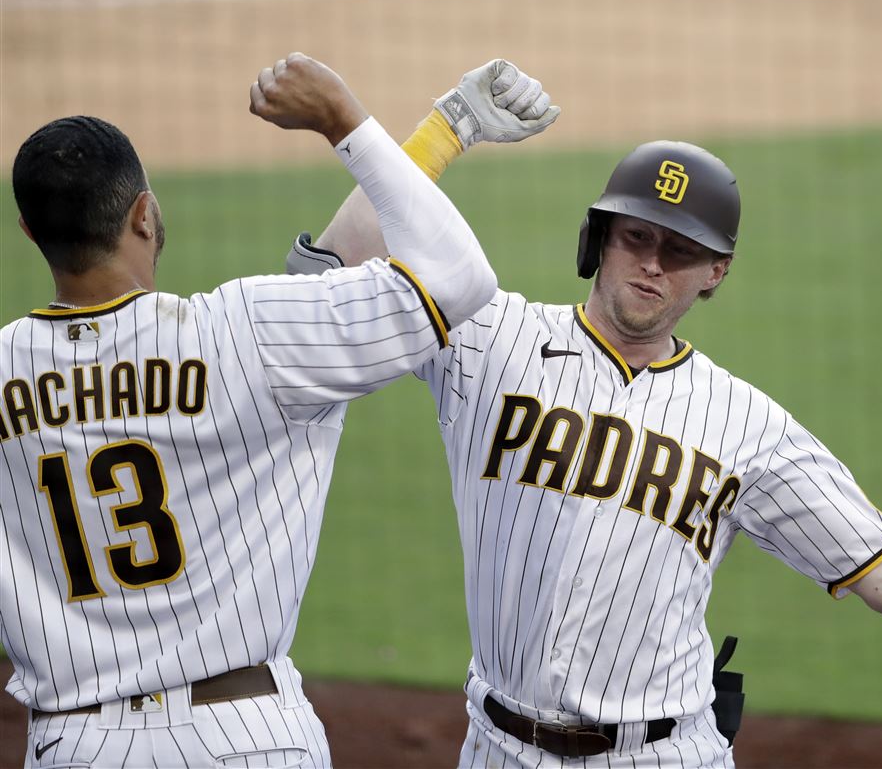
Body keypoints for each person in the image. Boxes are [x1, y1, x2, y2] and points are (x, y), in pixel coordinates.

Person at [307, 97, 882, 765]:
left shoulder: (749, 425)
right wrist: (446, 128)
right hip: (495, 750)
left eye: (679, 250)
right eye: (637, 237)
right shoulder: (490, 338)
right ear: (599, 238)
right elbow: (324, 281)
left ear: (716, 272)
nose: (652, 264)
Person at [0, 52, 517, 768]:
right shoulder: (245, 332)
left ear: (28, 231)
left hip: (77, 745)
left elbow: (326, 274)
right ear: (145, 214)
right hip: (245, 738)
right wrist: (352, 121)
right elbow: (455, 278)